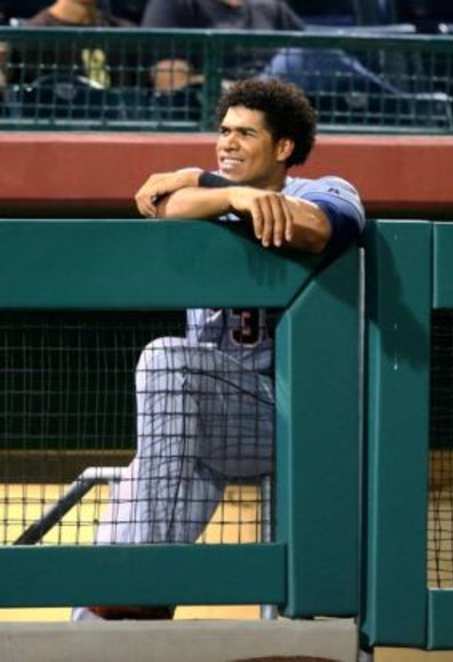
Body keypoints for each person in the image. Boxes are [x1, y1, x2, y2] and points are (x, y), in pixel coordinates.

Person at [72, 77, 365, 621]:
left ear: (283, 148)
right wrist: (227, 191)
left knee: (168, 359)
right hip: (198, 425)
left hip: (286, 416)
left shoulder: (322, 187)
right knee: (98, 601)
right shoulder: (210, 195)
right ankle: (130, 593)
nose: (227, 142)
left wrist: (225, 191)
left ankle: (146, 571)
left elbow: (325, 226)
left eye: (245, 133)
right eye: (224, 131)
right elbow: (161, 201)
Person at [140, 0, 304, 91]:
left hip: (273, 110)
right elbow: (167, 80)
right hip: (205, 117)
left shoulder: (271, 6)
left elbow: (311, 55)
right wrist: (225, 89)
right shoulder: (174, 4)